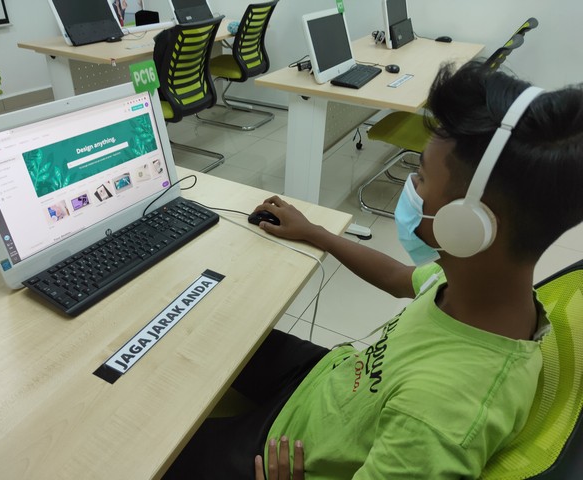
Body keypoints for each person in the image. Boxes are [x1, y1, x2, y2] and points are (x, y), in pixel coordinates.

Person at [163, 60, 583, 479]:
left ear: (468, 224)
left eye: (421, 177)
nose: (411, 188)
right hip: (329, 383)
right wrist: (316, 233)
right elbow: (399, 277)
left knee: (151, 451)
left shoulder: (438, 415)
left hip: (289, 450)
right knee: (212, 327)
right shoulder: (476, 287)